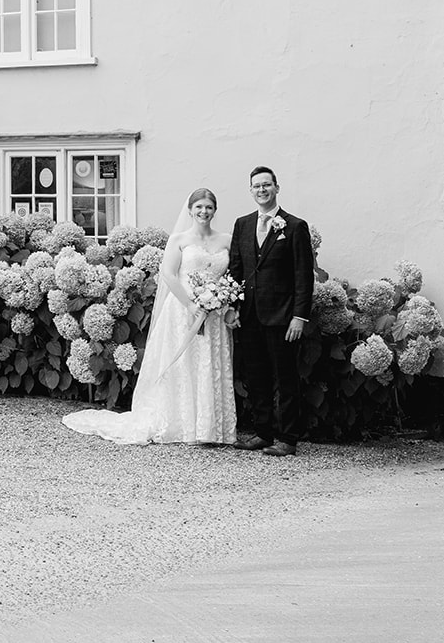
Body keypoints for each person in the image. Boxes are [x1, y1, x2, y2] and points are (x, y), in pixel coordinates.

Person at [63, 187, 236, 445]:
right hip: (183, 309)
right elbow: (169, 274)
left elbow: (231, 275)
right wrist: (190, 305)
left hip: (214, 312)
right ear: (190, 210)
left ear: (215, 210)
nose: (204, 211)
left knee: (209, 362)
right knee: (184, 364)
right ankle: (184, 424)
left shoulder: (226, 240)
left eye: (209, 207)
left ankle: (210, 427)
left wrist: (223, 300)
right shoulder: (179, 239)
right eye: (199, 207)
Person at [227, 166, 315, 457]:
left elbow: (304, 275)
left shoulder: (294, 226)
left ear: (277, 188)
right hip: (250, 315)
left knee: (286, 378)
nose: (262, 190)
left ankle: (287, 438)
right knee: (256, 377)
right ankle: (262, 433)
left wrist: (299, 317)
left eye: (267, 185)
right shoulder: (242, 224)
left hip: (283, 316)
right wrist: (234, 307)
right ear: (250, 191)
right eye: (256, 186)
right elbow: (236, 269)